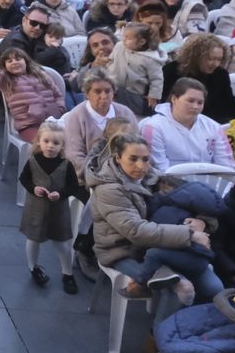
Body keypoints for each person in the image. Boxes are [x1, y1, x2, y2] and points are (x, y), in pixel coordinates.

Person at [88, 131, 223, 319]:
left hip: (164, 246)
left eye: (145, 159)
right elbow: (136, 231)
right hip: (124, 251)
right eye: (133, 159)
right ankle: (159, 335)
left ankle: (188, 328)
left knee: (214, 288)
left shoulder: (156, 177)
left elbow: (195, 199)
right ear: (118, 158)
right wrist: (190, 235)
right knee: (178, 288)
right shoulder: (109, 189)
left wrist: (202, 221)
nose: (141, 166)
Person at [19, 119, 86, 295]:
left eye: (56, 143)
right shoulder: (33, 161)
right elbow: (24, 179)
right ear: (39, 142)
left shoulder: (66, 164)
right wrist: (33, 188)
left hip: (58, 211)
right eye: (46, 141)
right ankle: (33, 268)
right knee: (33, 240)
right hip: (36, 209)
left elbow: (73, 186)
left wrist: (61, 194)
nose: (50, 146)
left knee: (61, 243)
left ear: (62, 145)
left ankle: (67, 273)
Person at [141, 78, 235, 173]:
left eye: (200, 103)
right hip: (170, 181)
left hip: (210, 180)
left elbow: (227, 167)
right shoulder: (153, 127)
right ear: (174, 99)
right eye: (190, 101)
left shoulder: (214, 127)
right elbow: (158, 168)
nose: (195, 106)